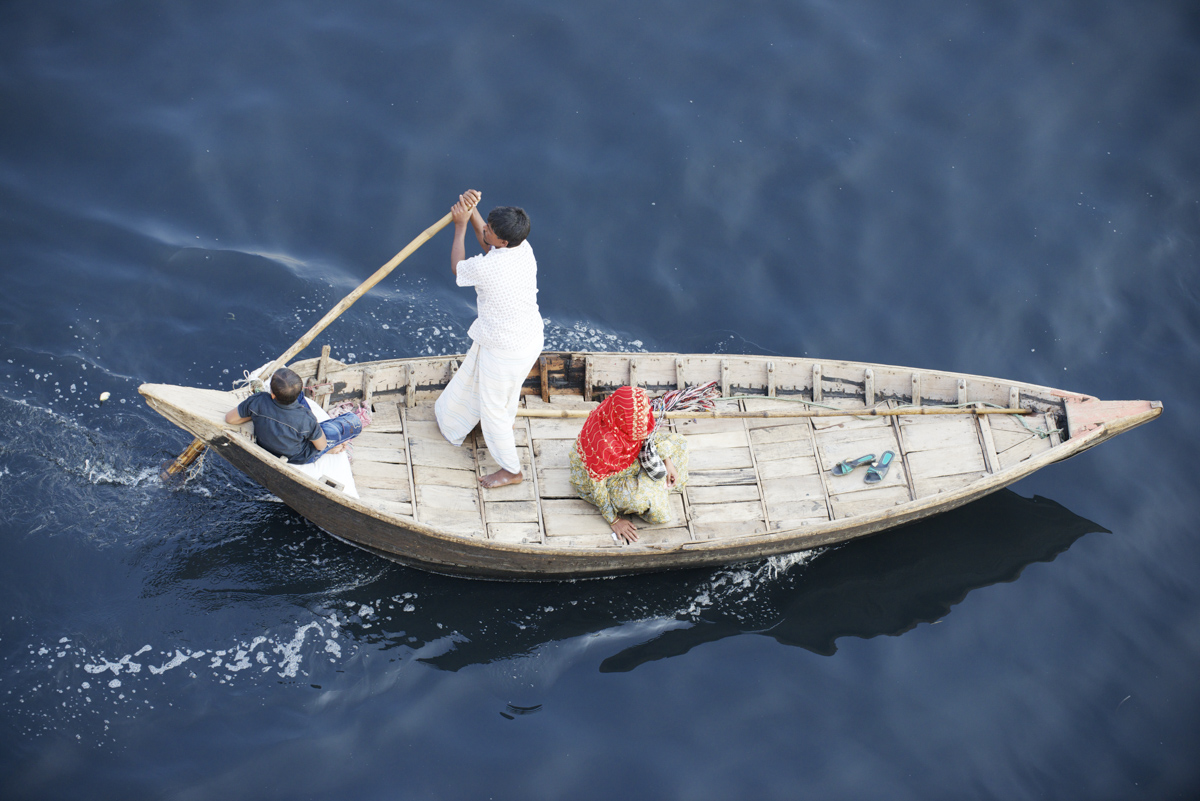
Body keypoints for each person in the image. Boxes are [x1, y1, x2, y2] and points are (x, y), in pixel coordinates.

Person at [435, 189, 545, 489]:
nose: (484, 230)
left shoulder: (489, 266)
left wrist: (460, 226)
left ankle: (512, 470)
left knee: (493, 409)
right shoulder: (523, 249)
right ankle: (503, 422)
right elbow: (489, 244)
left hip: (506, 346)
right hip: (529, 337)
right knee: (505, 392)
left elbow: (459, 270)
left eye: (490, 230)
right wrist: (471, 212)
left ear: (503, 241)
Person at [569, 386, 690, 544]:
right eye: (641, 417)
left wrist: (668, 461)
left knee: (680, 443)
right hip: (607, 478)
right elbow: (597, 487)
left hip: (626, 458)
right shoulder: (605, 445)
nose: (647, 418)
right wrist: (614, 521)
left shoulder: (617, 414)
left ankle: (658, 485)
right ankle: (657, 488)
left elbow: (647, 437)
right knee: (652, 507)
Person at [224, 367, 362, 464]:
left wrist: (255, 414)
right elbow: (321, 446)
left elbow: (230, 419)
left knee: (310, 428)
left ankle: (325, 439)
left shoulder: (258, 400)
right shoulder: (306, 418)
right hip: (298, 456)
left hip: (267, 444)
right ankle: (333, 448)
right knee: (353, 420)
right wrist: (315, 431)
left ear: (272, 394)